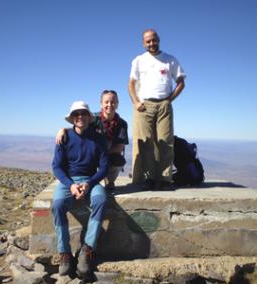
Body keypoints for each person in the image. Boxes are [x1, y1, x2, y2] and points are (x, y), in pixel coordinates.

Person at [52, 100, 109, 277]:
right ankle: (65, 253)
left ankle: (87, 249)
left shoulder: (99, 138)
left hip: (91, 181)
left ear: (89, 117)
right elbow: (57, 167)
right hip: (69, 181)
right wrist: (72, 185)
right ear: (72, 118)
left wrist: (89, 184)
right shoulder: (65, 137)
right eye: (76, 114)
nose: (80, 117)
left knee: (100, 199)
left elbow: (104, 167)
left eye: (83, 113)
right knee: (58, 204)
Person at [128, 29, 186, 190]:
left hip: (164, 105)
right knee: (146, 143)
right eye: (148, 41)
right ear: (143, 43)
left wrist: (169, 100)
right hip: (144, 105)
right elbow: (131, 84)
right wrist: (136, 102)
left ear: (158, 40)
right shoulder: (138, 60)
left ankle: (165, 179)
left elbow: (181, 82)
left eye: (154, 40)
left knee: (165, 142)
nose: (151, 43)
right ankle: (149, 178)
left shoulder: (170, 60)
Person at [56, 90, 128, 190]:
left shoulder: (122, 124)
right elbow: (79, 126)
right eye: (106, 102)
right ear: (101, 104)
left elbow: (119, 147)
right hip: (92, 151)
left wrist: (102, 152)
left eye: (113, 102)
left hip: (105, 151)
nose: (109, 105)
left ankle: (110, 180)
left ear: (117, 104)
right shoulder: (93, 118)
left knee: (119, 160)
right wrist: (63, 129)